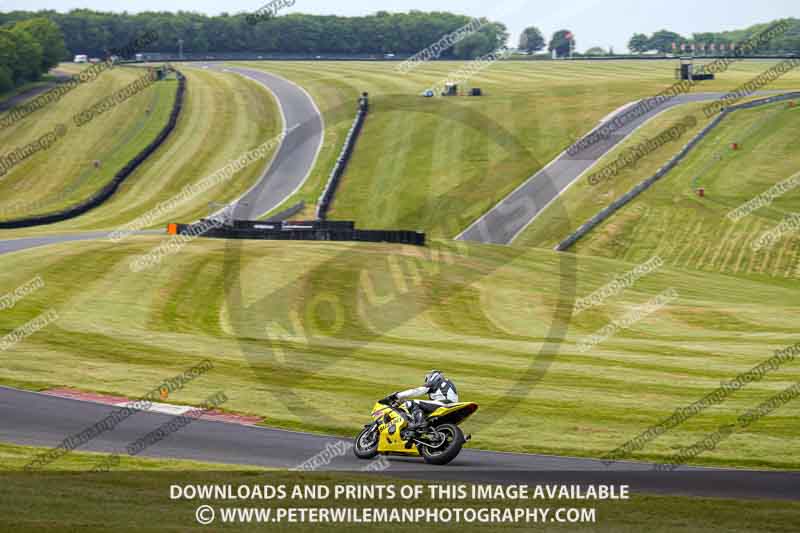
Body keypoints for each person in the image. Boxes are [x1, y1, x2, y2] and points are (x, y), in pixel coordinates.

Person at [382, 370, 458, 430]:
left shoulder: (435, 382)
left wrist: (398, 395)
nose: (427, 381)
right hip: (450, 406)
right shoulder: (446, 384)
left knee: (412, 403)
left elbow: (418, 391)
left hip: (444, 404)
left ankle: (419, 423)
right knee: (424, 412)